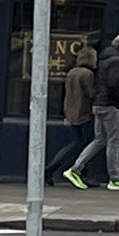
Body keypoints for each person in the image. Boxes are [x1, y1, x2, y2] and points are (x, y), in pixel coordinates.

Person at [64, 33, 119, 192]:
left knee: (100, 139)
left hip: (98, 105)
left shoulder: (103, 59)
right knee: (114, 141)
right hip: (110, 105)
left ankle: (75, 169)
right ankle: (115, 179)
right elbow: (113, 84)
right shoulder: (116, 61)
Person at [46, 44, 96, 181]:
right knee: (82, 144)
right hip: (83, 113)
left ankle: (55, 167)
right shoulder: (88, 74)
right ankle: (57, 168)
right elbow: (90, 94)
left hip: (70, 112)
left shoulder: (71, 72)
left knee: (76, 143)